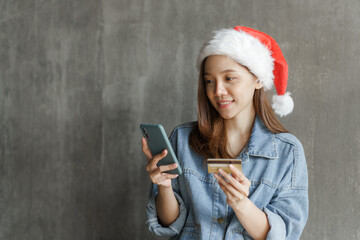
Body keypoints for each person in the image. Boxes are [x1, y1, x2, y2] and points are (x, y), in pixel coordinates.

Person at [142, 26, 308, 240]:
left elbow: (284, 234)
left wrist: (241, 204)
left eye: (229, 78)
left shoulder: (287, 152)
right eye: (210, 81)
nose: (218, 91)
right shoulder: (182, 139)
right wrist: (164, 187)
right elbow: (170, 224)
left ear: (258, 79)